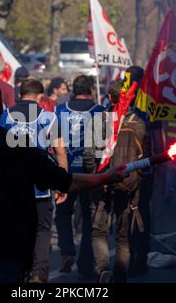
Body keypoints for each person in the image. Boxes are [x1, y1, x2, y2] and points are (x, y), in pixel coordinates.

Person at [0, 79, 127, 283]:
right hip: (7, 255)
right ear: (0, 111)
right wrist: (105, 176)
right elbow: (67, 181)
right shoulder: (22, 150)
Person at [0, 79, 67, 283]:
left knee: (14, 229)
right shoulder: (48, 117)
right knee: (42, 230)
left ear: (20, 94)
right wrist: (62, 184)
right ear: (40, 97)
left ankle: (17, 271)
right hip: (41, 187)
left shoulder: (4, 116)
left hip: (11, 186)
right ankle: (39, 273)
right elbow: (60, 152)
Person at [84, 66, 148, 283]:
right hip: (128, 184)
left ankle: (103, 270)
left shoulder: (100, 120)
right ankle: (121, 275)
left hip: (101, 183)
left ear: (109, 97)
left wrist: (93, 175)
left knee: (99, 231)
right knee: (123, 236)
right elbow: (146, 158)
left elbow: (88, 155)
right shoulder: (140, 123)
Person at [54, 75, 106, 279]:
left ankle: (67, 250)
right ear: (92, 90)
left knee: (63, 212)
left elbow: (54, 142)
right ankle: (85, 263)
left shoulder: (59, 110)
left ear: (72, 90)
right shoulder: (100, 111)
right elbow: (102, 147)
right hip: (89, 173)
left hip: (65, 170)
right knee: (88, 218)